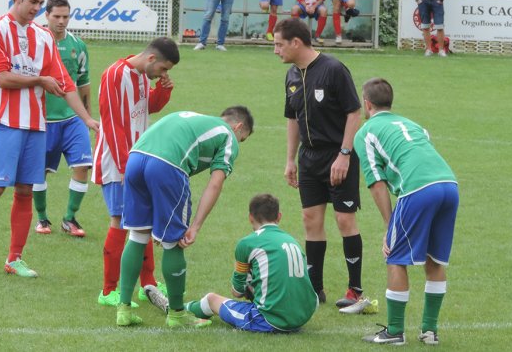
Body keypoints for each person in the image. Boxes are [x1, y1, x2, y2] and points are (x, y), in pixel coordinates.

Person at [0, 0, 99, 278]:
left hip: (35, 123)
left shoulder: (43, 38)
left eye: (39, 3)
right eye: (32, 2)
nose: (36, 8)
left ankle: (14, 259)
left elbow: (64, 82)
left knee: (25, 190)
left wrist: (87, 119)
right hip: (3, 120)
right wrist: (38, 80)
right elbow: (1, 78)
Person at [114, 107, 254, 329]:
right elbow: (215, 183)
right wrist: (195, 226)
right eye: (242, 139)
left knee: (137, 236)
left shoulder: (196, 117)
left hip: (135, 158)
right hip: (167, 165)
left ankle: (123, 310)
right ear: (238, 127)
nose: (239, 144)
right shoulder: (228, 136)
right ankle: (177, 315)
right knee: (174, 242)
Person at [272, 18, 375, 313]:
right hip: (308, 159)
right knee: (310, 220)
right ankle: (314, 288)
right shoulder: (292, 75)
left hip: (338, 155)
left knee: (344, 221)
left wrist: (344, 153)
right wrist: (290, 159)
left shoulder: (333, 69)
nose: (276, 50)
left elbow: (354, 112)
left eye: (279, 44)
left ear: (296, 42)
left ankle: (355, 290)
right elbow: (292, 118)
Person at [355, 78, 458, 345]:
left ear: (367, 104)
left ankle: (395, 332)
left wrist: (391, 227)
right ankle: (429, 331)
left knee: (396, 258)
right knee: (434, 259)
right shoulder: (413, 125)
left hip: (418, 189)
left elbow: (376, 184)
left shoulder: (365, 132)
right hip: (449, 184)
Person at [92, 37, 180, 307]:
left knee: (143, 221)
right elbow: (112, 123)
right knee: (120, 221)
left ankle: (147, 284)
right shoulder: (114, 75)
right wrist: (125, 166)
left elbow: (146, 108)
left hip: (138, 160)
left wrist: (162, 91)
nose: (163, 74)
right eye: (164, 69)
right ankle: (108, 291)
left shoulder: (141, 75)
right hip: (118, 163)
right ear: (152, 59)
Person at [179, 193, 318, 332]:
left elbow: (237, 291)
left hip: (270, 320)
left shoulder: (247, 243)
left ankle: (179, 310)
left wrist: (249, 284)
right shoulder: (293, 241)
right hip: (303, 316)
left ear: (250, 217)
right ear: (279, 216)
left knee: (211, 299)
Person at [32, 0, 93, 237]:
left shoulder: (78, 45)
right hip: (43, 119)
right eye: (56, 16)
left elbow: (84, 83)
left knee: (82, 166)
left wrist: (88, 117)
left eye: (65, 16)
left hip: (72, 119)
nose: (61, 21)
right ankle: (42, 218)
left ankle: (70, 218)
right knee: (39, 172)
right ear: (46, 15)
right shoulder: (36, 43)